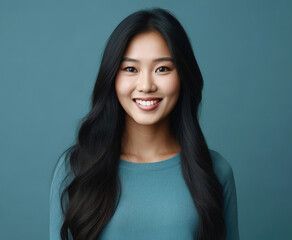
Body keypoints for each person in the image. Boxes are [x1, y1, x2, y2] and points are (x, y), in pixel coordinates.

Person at [49, 7, 240, 240]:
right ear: (112, 78)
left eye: (162, 69)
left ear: (182, 76)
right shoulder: (75, 169)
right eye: (130, 69)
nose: (146, 85)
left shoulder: (216, 171)